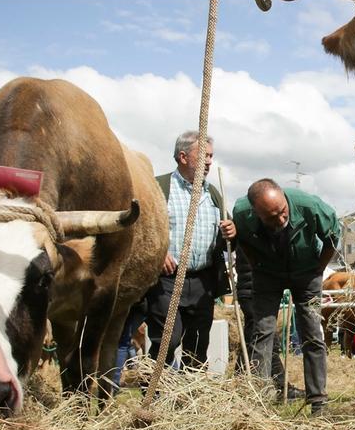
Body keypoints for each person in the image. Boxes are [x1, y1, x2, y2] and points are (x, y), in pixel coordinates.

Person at [122, 131, 235, 378]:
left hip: (203, 281)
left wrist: (231, 232)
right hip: (167, 280)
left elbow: (229, 236)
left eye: (211, 156)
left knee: (198, 345)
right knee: (167, 341)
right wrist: (158, 253)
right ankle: (156, 395)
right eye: (203, 155)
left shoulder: (213, 194)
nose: (209, 162)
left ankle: (190, 401)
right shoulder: (158, 188)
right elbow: (138, 229)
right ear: (183, 156)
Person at [232, 179, 340, 415]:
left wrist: (319, 269)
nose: (280, 220)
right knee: (262, 332)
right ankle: (259, 398)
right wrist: (256, 265)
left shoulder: (310, 207)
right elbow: (241, 242)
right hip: (268, 274)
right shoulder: (241, 213)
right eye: (271, 217)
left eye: (282, 212)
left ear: (284, 199)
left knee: (311, 334)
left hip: (306, 272)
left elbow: (333, 237)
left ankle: (318, 401)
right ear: (256, 213)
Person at [233, 249, 302, 400]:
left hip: (260, 289)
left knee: (252, 339)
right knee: (266, 339)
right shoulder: (248, 227)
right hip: (253, 289)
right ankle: (281, 387)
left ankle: (236, 383)